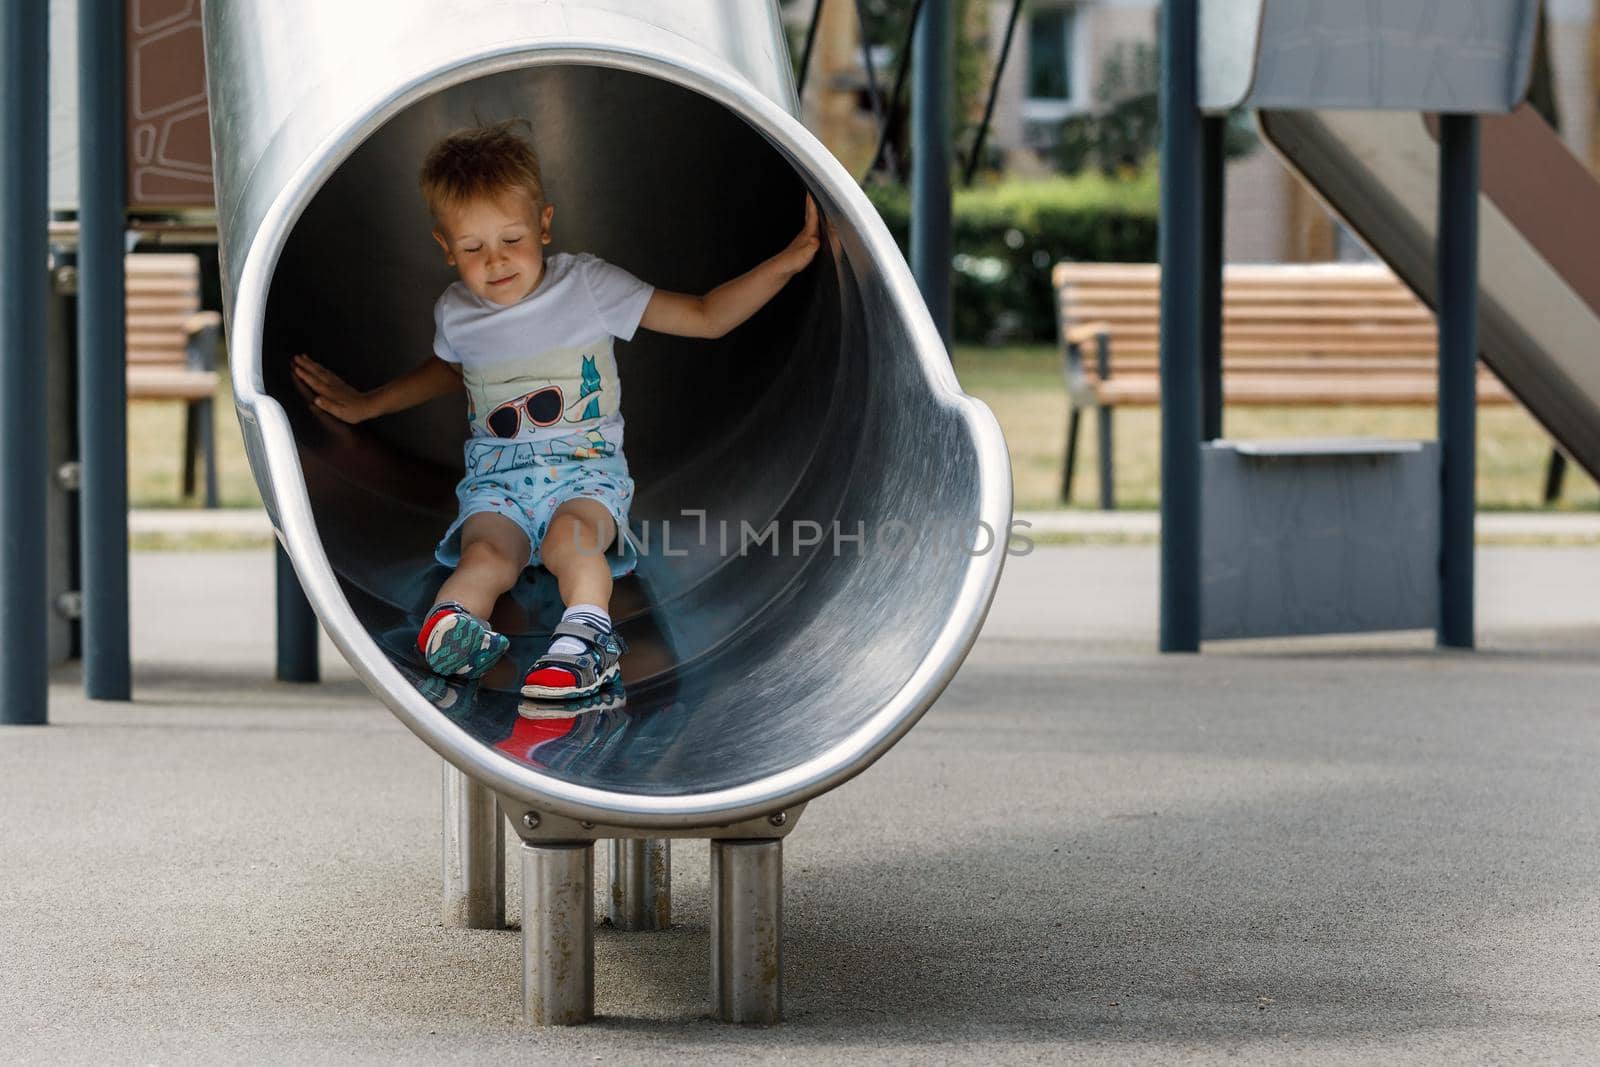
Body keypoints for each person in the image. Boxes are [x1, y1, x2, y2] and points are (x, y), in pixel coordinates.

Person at [292, 120, 819, 699]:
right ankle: (450, 630)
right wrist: (368, 405)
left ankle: (588, 640)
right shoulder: (456, 312)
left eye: (511, 239)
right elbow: (449, 371)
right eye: (473, 249)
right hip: (498, 479)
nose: (495, 262)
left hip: (584, 471)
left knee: (571, 540)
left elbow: (705, 315)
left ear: (544, 224)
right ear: (445, 247)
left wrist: (789, 262)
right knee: (486, 553)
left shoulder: (587, 286)